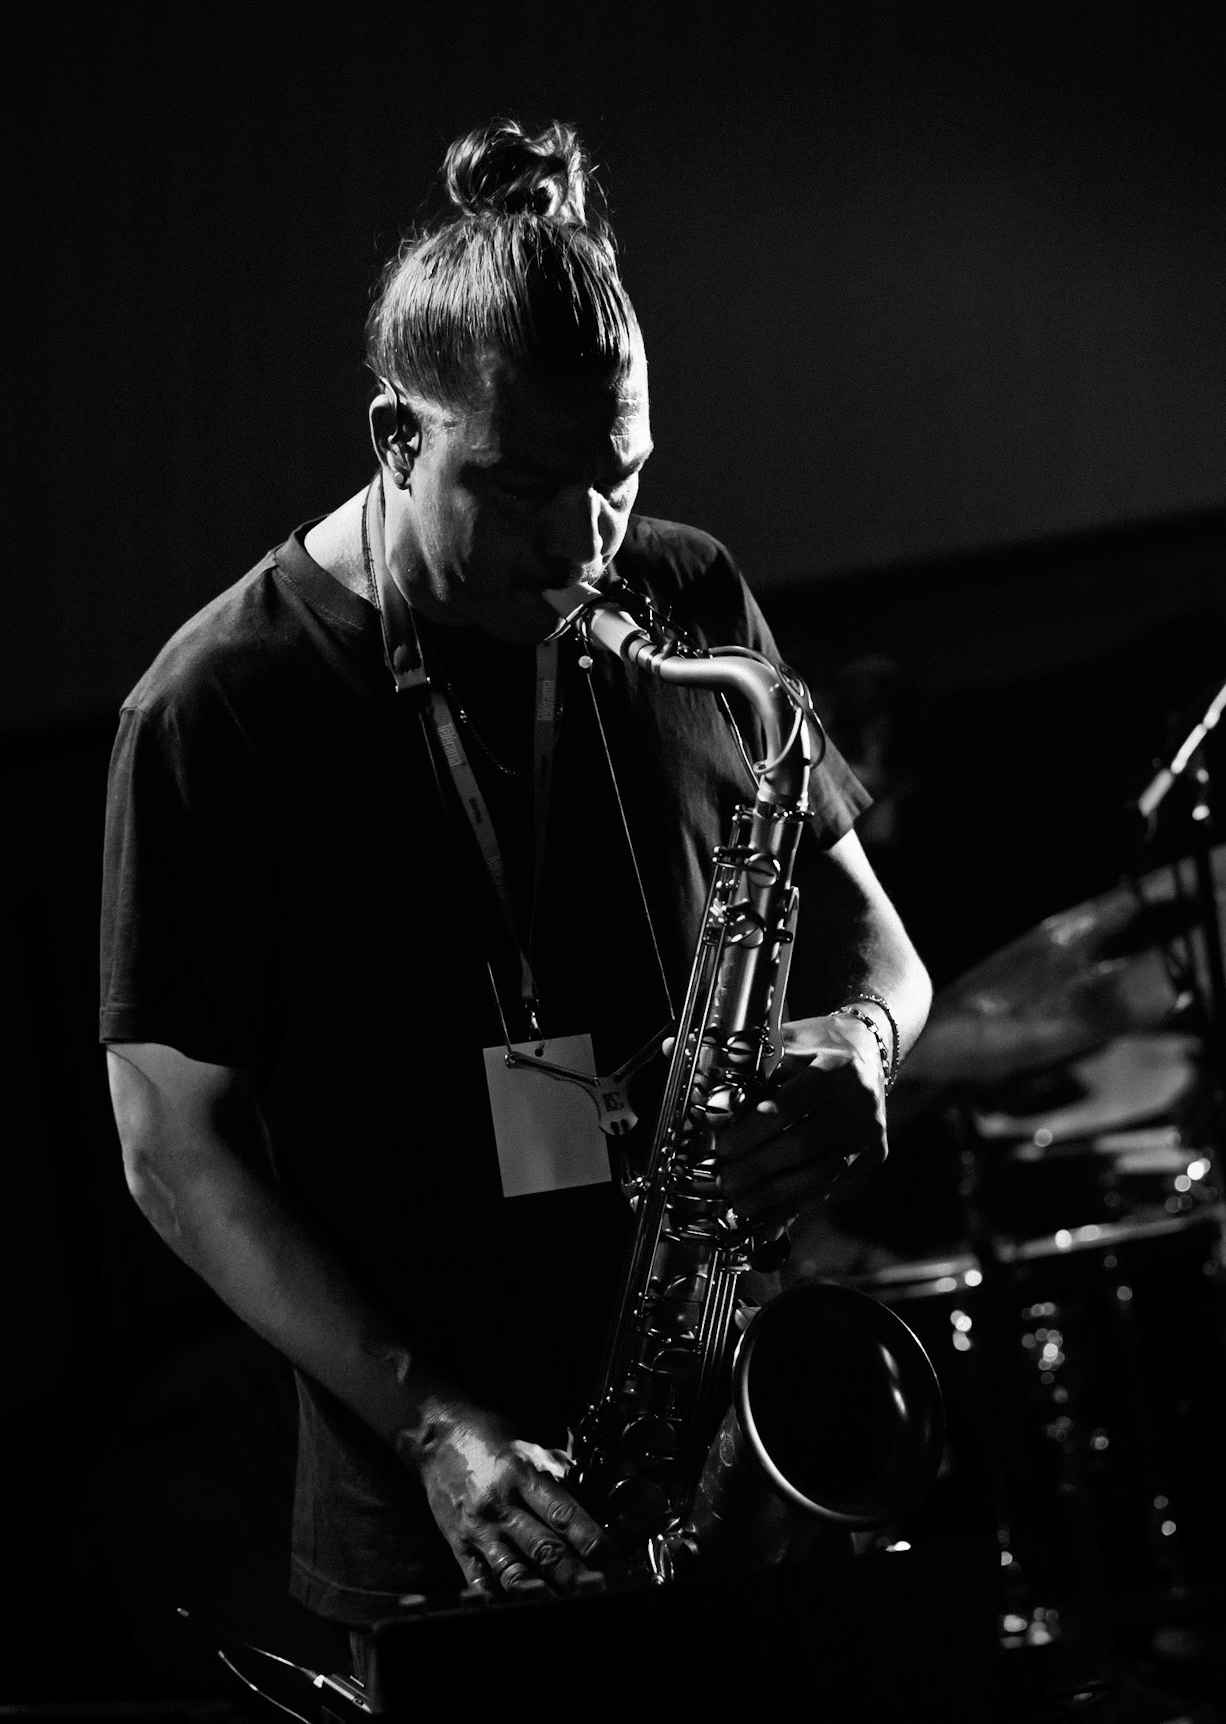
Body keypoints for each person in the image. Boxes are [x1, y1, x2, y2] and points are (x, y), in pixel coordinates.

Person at [99, 119, 932, 1651]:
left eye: (618, 477)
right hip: (447, 1517)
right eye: (524, 485)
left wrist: (862, 1044)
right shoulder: (218, 707)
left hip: (726, 1447)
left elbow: (878, 946)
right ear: (394, 437)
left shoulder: (686, 592)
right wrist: (433, 1428)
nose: (582, 544)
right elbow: (168, 1148)